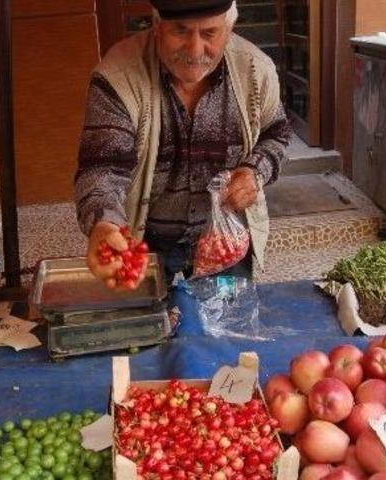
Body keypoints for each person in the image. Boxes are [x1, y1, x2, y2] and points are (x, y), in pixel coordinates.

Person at [75, 0, 290, 288]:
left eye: (210, 33)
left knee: (226, 316)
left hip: (224, 238)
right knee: (144, 315)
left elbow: (276, 134)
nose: (195, 50)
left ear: (229, 29)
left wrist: (254, 172)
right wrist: (104, 223)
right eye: (180, 31)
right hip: (144, 236)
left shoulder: (255, 71)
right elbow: (104, 167)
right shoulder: (118, 77)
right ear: (157, 26)